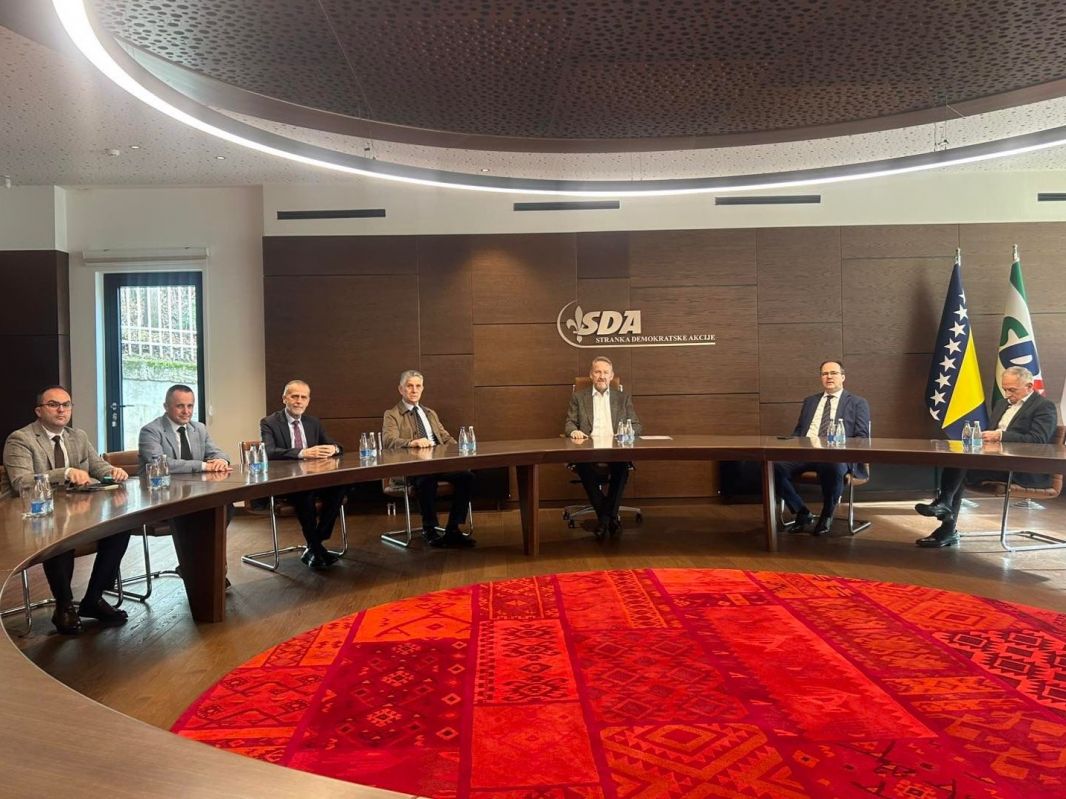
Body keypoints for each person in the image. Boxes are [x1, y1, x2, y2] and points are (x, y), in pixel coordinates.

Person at [3, 386, 132, 634]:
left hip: (74, 512)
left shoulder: (77, 436)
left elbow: (98, 466)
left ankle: (94, 598)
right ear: (39, 411)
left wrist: (113, 471)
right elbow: (21, 482)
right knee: (61, 535)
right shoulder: (20, 439)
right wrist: (64, 473)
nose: (61, 410)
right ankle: (64, 606)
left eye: (66, 405)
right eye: (54, 405)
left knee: (121, 526)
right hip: (35, 518)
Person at [915, 365, 1058, 548]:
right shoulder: (1002, 404)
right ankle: (946, 519)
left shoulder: (1044, 407)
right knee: (957, 460)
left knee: (960, 468)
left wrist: (1000, 436)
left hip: (1023, 469)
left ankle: (945, 511)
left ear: (1029, 386)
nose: (1007, 394)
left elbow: (1038, 440)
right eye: (1005, 389)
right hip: (996, 462)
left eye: (1012, 390)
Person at [775, 360, 871, 536]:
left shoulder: (858, 403)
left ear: (843, 377)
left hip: (837, 455)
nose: (829, 377)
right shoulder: (810, 401)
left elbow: (861, 437)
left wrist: (839, 448)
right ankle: (802, 512)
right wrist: (790, 446)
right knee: (773, 467)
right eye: (825, 374)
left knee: (832, 466)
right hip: (805, 452)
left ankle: (827, 515)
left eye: (833, 373)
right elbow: (799, 430)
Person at [261, 380, 349, 570]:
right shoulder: (269, 422)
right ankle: (316, 547)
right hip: (287, 482)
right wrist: (302, 453)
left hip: (315, 479)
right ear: (284, 399)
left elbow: (338, 446)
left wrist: (333, 448)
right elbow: (268, 452)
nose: (299, 401)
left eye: (303, 397)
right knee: (305, 494)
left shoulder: (313, 422)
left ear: (308, 401)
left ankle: (315, 543)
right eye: (294, 396)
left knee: (340, 486)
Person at [382, 369, 475, 549]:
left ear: (422, 389)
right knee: (427, 480)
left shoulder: (429, 413)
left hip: (439, 464)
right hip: (412, 468)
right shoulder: (392, 414)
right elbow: (388, 441)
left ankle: (453, 529)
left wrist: (461, 449)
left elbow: (445, 437)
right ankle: (429, 529)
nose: (414, 390)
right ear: (401, 389)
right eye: (409, 386)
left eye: (418, 386)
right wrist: (412, 442)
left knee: (467, 477)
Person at [565, 356, 642, 537]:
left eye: (605, 372)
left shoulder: (622, 398)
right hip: (588, 450)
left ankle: (604, 520)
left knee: (622, 468)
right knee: (583, 467)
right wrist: (574, 431)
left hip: (616, 450)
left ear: (611, 376)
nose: (602, 376)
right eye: (598, 372)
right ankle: (610, 518)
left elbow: (637, 426)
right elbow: (569, 423)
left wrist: (626, 432)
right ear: (591, 375)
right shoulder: (579, 397)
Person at [138, 384, 232, 475]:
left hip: (196, 484)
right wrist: (203, 466)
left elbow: (217, 453)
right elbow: (159, 463)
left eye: (190, 406)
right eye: (180, 406)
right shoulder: (150, 431)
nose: (186, 411)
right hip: (160, 484)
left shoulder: (199, 428)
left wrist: (221, 461)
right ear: (166, 407)